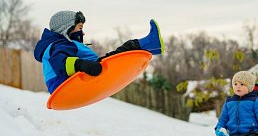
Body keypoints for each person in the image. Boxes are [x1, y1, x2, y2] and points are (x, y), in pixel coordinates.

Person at [34, 10, 164, 94]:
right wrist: (81, 65)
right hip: (63, 86)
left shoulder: (60, 44)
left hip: (68, 83)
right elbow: (60, 63)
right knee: (116, 57)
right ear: (67, 29)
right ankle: (150, 42)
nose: (82, 32)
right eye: (79, 28)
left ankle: (151, 45)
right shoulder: (57, 45)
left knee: (111, 58)